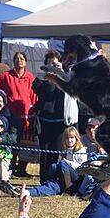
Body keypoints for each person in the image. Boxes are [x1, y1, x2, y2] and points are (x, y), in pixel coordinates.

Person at [0, 52, 38, 177]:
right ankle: (9, 166)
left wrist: (32, 108)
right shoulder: (7, 76)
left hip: (26, 114)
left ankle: (21, 169)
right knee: (12, 140)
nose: (19, 61)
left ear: (26, 62)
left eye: (21, 59)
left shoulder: (30, 77)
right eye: (16, 59)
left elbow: (35, 94)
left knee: (25, 142)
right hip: (10, 114)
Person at [33, 50, 68, 183]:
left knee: (57, 151)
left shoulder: (64, 78)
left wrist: (60, 73)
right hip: (45, 120)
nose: (53, 66)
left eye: (55, 63)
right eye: (50, 63)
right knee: (45, 152)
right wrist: (50, 76)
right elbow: (47, 92)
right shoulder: (40, 80)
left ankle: (55, 179)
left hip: (59, 121)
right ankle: (44, 179)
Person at [26, 126, 88, 197]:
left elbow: (82, 167)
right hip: (64, 177)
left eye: (71, 137)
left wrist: (67, 163)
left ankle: (69, 188)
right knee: (53, 167)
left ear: (76, 138)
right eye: (67, 138)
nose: (69, 140)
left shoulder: (81, 150)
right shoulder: (65, 150)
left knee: (63, 163)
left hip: (76, 177)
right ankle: (28, 192)